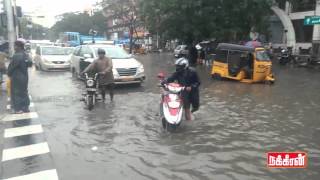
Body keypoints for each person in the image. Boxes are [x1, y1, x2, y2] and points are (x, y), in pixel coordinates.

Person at [7, 40, 30, 113]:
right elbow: (30, 64)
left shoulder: (17, 55)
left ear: (18, 46)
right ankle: (25, 108)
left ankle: (18, 109)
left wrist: (8, 73)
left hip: (17, 77)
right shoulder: (25, 54)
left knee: (16, 93)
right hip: (25, 77)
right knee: (24, 92)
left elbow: (12, 67)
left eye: (15, 46)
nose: (14, 47)